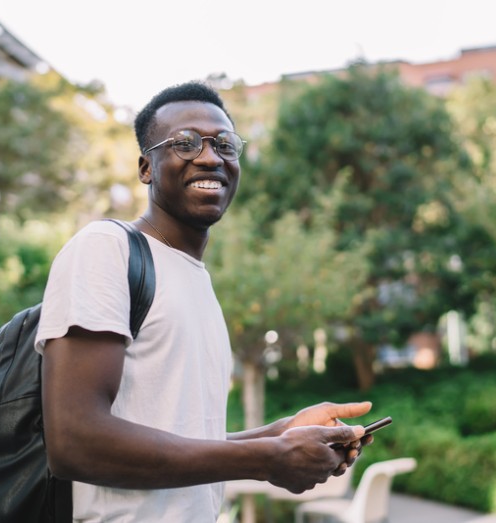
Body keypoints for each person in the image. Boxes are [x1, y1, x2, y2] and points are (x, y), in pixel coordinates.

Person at [35, 81, 373, 522]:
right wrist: (266, 459)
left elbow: (180, 440)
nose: (210, 156)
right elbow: (74, 441)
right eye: (185, 143)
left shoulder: (198, 283)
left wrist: (278, 435)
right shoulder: (106, 248)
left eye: (225, 144)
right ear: (146, 168)